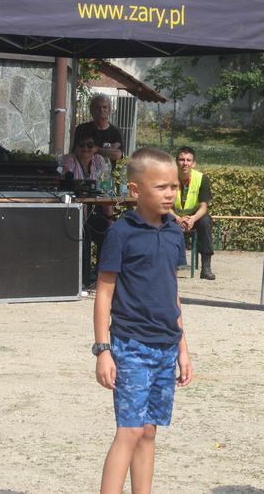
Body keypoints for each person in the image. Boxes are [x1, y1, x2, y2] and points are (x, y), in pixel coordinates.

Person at [93, 147, 192, 494]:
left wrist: (183, 348)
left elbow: (172, 292)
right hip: (131, 347)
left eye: (174, 187)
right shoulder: (120, 233)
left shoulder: (174, 232)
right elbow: (104, 293)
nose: (170, 194)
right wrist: (103, 350)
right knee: (130, 430)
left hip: (166, 346)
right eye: (161, 187)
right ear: (135, 190)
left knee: (149, 431)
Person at [57, 132, 113, 288]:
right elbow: (65, 180)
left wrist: (110, 218)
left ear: (96, 148)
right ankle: (84, 280)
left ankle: (101, 276)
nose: (85, 148)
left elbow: (105, 188)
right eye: (81, 144)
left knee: (108, 231)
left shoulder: (99, 160)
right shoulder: (69, 160)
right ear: (76, 146)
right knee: (84, 233)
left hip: (92, 210)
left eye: (90, 145)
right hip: (72, 212)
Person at [171, 146, 216, 280]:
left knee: (206, 221)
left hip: (194, 218)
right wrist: (178, 218)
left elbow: (203, 207)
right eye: (181, 160)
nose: (185, 163)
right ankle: (165, 265)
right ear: (176, 161)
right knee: (159, 218)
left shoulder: (202, 179)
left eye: (188, 160)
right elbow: (162, 204)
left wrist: (192, 219)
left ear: (193, 163)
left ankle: (206, 268)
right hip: (173, 216)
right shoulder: (168, 177)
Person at [74, 94, 124, 169]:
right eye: (97, 107)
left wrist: (95, 149)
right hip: (84, 173)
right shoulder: (82, 129)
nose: (101, 110)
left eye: (105, 107)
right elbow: (77, 151)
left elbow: (117, 155)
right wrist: (108, 150)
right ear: (91, 111)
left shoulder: (116, 132)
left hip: (107, 175)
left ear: (110, 111)